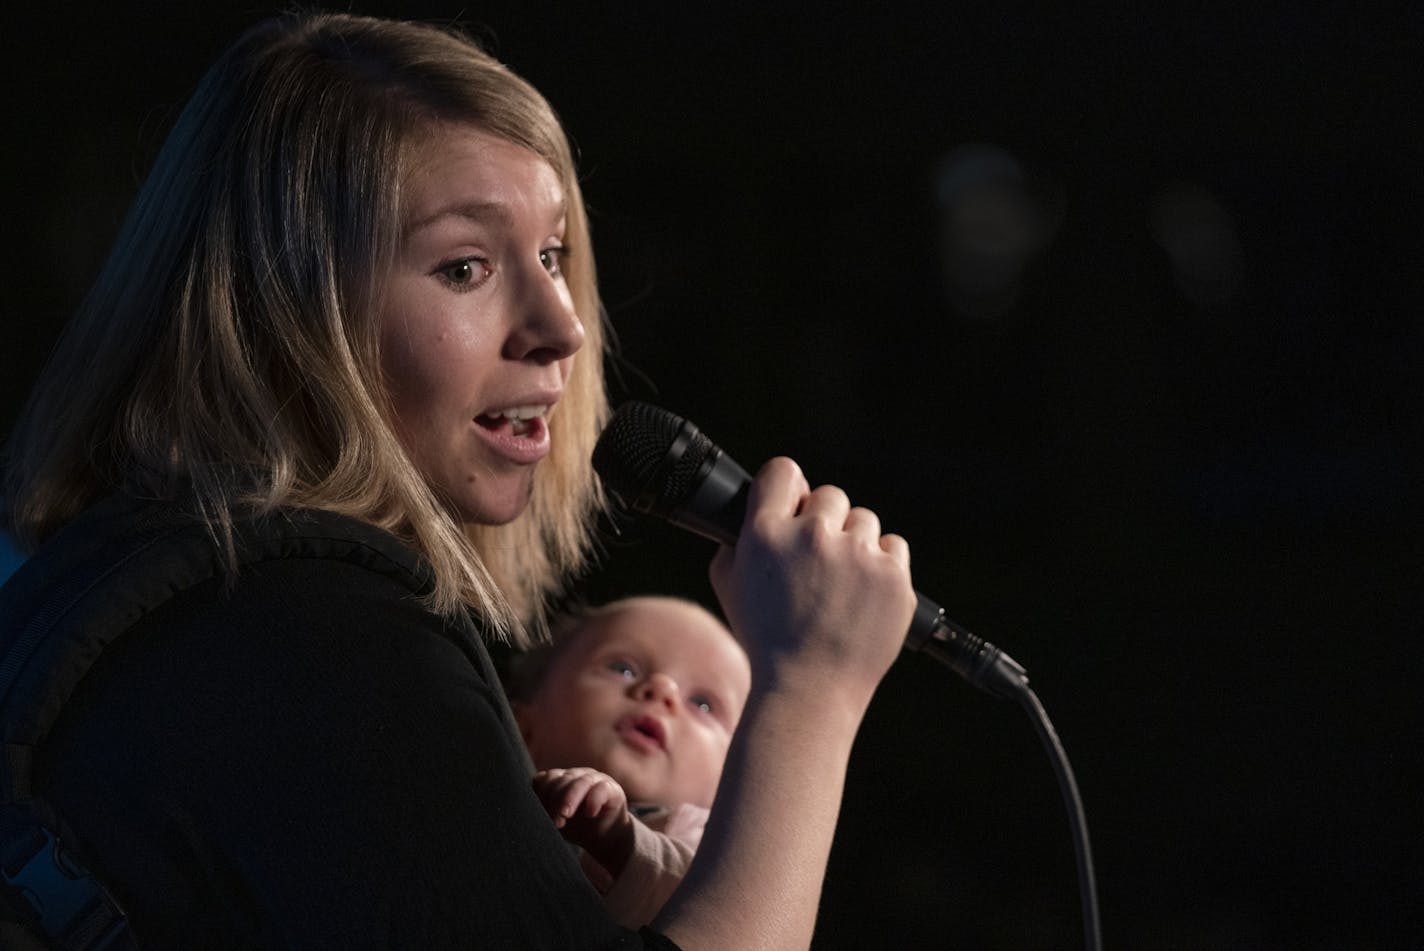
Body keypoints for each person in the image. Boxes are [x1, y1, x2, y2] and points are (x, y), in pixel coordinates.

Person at [0, 11, 915, 950]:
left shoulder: (151, 571)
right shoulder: (321, 641)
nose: (562, 325)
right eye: (466, 265)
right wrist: (811, 688)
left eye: (553, 255)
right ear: (290, 313)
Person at [509, 596, 751, 928]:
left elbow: (712, 916)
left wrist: (620, 838)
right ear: (522, 725)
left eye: (703, 704)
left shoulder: (706, 839)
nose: (662, 689)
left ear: (731, 781)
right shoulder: (492, 784)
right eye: (622, 668)